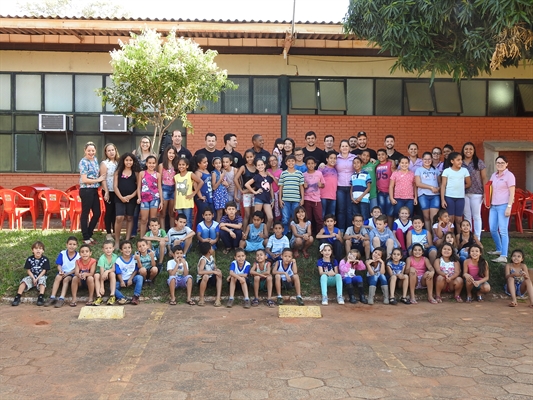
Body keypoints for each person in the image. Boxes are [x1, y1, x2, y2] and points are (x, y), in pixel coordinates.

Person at [488, 156, 516, 264]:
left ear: (506, 164)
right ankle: (499, 249)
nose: (500, 164)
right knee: (492, 228)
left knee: (503, 231)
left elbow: (512, 193)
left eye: (502, 163)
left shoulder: (509, 176)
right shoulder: (493, 175)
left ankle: (504, 256)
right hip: (493, 206)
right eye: (498, 163)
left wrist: (509, 207)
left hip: (503, 205)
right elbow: (489, 189)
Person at [79, 141, 104, 245]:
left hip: (94, 190)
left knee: (97, 212)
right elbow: (84, 179)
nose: (91, 152)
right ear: (85, 151)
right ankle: (85, 237)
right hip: (86, 190)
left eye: (93, 150)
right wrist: (98, 180)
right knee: (85, 213)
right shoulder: (83, 162)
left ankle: (89, 234)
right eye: (89, 150)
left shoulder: (95, 160)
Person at [44, 236, 79, 308]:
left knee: (66, 279)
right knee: (58, 277)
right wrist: (60, 270)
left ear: (77, 246)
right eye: (70, 244)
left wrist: (68, 274)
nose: (72, 246)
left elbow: (76, 268)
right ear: (66, 245)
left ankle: (61, 298)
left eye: (74, 244)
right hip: (62, 272)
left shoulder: (78, 256)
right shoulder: (62, 253)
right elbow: (59, 264)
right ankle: (52, 297)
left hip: (71, 274)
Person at [114, 153, 140, 247]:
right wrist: (121, 197)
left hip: (131, 198)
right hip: (119, 197)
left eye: (130, 160)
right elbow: (115, 186)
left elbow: (138, 187)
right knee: (119, 217)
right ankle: (117, 241)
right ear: (123, 161)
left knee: (130, 217)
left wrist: (131, 196)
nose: (128, 162)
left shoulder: (136, 173)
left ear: (133, 161)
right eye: (126, 160)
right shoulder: (118, 172)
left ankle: (127, 240)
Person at [12, 241, 50, 307]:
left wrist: (37, 278)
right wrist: (33, 278)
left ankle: (41, 297)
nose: (38, 250)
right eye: (36, 248)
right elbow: (28, 270)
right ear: (32, 250)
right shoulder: (29, 259)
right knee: (23, 282)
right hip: (31, 276)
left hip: (41, 276)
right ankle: (18, 296)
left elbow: (44, 271)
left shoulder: (45, 259)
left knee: (42, 282)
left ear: (43, 251)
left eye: (40, 248)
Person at [462, 142, 487, 239]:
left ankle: (477, 237)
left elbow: (484, 178)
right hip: (464, 193)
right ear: (463, 150)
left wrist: (485, 192)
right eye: (466, 149)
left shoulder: (479, 162)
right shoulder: (460, 162)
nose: (468, 151)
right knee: (467, 216)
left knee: (476, 216)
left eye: (470, 149)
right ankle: (469, 237)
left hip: (477, 193)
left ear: (474, 151)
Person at [441, 151, 471, 229]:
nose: (460, 161)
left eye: (461, 159)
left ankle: (460, 238)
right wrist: (442, 200)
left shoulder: (464, 170)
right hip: (449, 197)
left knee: (458, 219)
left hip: (460, 198)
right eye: (458, 160)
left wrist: (460, 187)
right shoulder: (446, 171)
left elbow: (468, 183)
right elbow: (443, 185)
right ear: (452, 161)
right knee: (450, 219)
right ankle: (450, 238)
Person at [245, 158, 274, 233]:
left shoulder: (269, 177)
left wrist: (273, 199)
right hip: (259, 198)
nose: (260, 166)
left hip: (267, 199)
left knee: (270, 217)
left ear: (264, 165)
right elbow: (247, 184)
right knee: (256, 218)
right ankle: (253, 234)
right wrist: (254, 192)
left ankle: (265, 234)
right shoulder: (257, 176)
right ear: (256, 167)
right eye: (258, 165)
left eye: (262, 164)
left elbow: (271, 188)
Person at [137, 155, 163, 239]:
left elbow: (159, 188)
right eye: (149, 163)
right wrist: (139, 197)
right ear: (146, 163)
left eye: (153, 163)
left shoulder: (158, 175)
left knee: (153, 219)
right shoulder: (142, 173)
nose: (151, 165)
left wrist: (161, 201)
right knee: (144, 219)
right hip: (144, 199)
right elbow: (139, 187)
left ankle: (152, 237)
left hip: (155, 199)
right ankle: (142, 238)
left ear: (155, 164)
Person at [279, 155, 305, 235]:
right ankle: (285, 234)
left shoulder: (299, 174)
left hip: (296, 200)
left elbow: (301, 187)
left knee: (295, 218)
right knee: (285, 219)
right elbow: (281, 187)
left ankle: (295, 234)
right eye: (289, 161)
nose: (291, 163)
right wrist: (280, 199)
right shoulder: (283, 174)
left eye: (292, 161)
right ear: (286, 163)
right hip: (285, 200)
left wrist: (302, 198)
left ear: (295, 162)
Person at [174, 157, 203, 229]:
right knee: (180, 222)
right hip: (179, 203)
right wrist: (174, 204)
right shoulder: (176, 177)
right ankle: (182, 237)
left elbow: (201, 182)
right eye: (179, 164)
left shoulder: (190, 174)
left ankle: (189, 238)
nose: (181, 166)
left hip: (187, 203)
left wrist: (194, 193)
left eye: (183, 164)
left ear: (187, 166)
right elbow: (176, 191)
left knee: (188, 221)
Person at [415, 152, 441, 232]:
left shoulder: (436, 170)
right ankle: (428, 235)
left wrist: (438, 188)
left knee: (434, 217)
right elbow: (418, 183)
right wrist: (430, 187)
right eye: (425, 159)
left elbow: (440, 183)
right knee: (426, 217)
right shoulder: (419, 170)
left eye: (429, 159)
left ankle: (434, 237)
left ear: (432, 159)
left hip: (435, 196)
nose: (427, 161)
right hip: (423, 195)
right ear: (422, 160)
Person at [234, 149, 257, 233]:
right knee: (247, 214)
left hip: (255, 193)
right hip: (246, 194)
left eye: (251, 157)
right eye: (247, 157)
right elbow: (235, 179)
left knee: (253, 214)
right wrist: (241, 190)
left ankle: (251, 233)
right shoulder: (243, 167)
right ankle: (243, 233)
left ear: (254, 156)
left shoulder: (256, 166)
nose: (249, 159)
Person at [335, 140, 355, 232]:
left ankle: (349, 230)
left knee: (350, 210)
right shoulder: (336, 158)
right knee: (341, 210)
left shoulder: (354, 158)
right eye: (342, 146)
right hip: (340, 187)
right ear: (339, 148)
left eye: (346, 146)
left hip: (352, 187)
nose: (344, 148)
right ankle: (342, 230)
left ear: (349, 148)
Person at [115, 240, 143, 305]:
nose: (127, 250)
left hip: (132, 278)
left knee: (140, 278)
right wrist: (121, 281)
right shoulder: (118, 260)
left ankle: (136, 296)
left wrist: (130, 279)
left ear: (131, 249)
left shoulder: (134, 258)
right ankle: (122, 298)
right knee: (112, 287)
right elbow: (118, 272)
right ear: (121, 250)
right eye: (125, 248)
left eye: (129, 247)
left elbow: (136, 270)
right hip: (122, 280)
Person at [100, 143, 119, 241]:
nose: (111, 152)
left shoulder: (118, 162)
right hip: (108, 191)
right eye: (109, 150)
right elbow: (103, 179)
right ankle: (108, 232)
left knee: (116, 212)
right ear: (106, 153)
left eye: (113, 150)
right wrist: (106, 191)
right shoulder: (104, 163)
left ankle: (116, 232)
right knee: (109, 211)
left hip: (117, 191)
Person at [196, 242, 223, 307]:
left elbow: (214, 267)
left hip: (211, 278)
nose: (213, 249)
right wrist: (213, 272)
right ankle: (201, 298)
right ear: (209, 251)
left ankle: (218, 298)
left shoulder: (211, 257)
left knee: (219, 274)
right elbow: (200, 272)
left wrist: (217, 270)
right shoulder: (203, 260)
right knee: (205, 276)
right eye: (211, 247)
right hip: (202, 279)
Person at [303, 156, 325, 233]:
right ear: (306, 165)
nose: (311, 165)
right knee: (308, 218)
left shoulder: (319, 173)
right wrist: (303, 186)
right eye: (308, 163)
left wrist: (320, 185)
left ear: (315, 164)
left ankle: (320, 234)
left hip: (316, 200)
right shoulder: (303, 175)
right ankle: (309, 233)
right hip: (307, 199)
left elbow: (323, 185)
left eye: (312, 163)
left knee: (319, 217)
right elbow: (301, 187)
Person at [158, 145, 178, 229]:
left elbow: (177, 181)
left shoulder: (177, 166)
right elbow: (158, 181)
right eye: (170, 152)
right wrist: (161, 196)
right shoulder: (161, 166)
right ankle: (163, 233)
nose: (171, 155)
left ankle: (172, 233)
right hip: (164, 189)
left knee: (172, 213)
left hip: (173, 189)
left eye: (173, 153)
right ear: (166, 153)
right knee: (162, 214)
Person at [376, 148, 396, 228]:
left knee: (390, 213)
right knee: (382, 213)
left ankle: (390, 229)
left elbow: (395, 176)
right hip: (380, 192)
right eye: (379, 155)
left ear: (386, 156)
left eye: (383, 154)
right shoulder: (377, 165)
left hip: (389, 192)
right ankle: (382, 229)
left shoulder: (390, 164)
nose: (381, 156)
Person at [94, 239, 117, 306]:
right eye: (106, 248)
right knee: (96, 276)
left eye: (110, 248)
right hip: (101, 274)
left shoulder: (115, 256)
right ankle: (99, 297)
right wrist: (102, 286)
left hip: (109, 273)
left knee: (112, 274)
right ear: (103, 249)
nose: (108, 250)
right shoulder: (102, 258)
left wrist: (107, 271)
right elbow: (101, 273)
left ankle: (112, 295)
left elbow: (113, 269)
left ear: (113, 248)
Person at [193, 154, 214, 225]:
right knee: (202, 215)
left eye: (207, 162)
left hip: (209, 196)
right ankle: (199, 232)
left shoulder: (207, 170)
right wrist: (200, 196)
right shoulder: (198, 172)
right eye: (204, 162)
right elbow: (195, 185)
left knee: (211, 214)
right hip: (202, 197)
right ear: (199, 164)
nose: (206, 163)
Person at [350, 157, 371, 221]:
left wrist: (361, 197)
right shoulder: (352, 175)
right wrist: (352, 198)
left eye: (358, 163)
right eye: (354, 163)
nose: (356, 164)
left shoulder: (366, 174)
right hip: (354, 200)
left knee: (364, 216)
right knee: (356, 217)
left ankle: (365, 231)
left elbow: (369, 187)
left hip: (363, 200)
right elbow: (351, 188)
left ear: (361, 164)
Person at [320, 151, 338, 218]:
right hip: (323, 196)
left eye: (334, 158)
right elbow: (316, 179)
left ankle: (330, 228)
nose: (333, 160)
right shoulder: (322, 168)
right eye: (331, 158)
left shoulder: (336, 169)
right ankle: (322, 228)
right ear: (327, 159)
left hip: (333, 196)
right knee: (322, 214)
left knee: (332, 215)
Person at [212, 157, 229, 221]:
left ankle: (223, 227)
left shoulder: (222, 172)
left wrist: (227, 184)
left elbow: (225, 184)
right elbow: (214, 187)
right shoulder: (214, 173)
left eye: (219, 163)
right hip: (218, 194)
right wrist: (220, 178)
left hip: (224, 193)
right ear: (213, 164)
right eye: (216, 163)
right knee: (219, 213)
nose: (218, 165)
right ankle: (217, 229)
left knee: (224, 212)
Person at [267, 154, 282, 221]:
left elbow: (280, 184)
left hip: (278, 194)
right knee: (269, 211)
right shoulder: (267, 171)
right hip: (268, 194)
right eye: (271, 161)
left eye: (274, 160)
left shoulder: (281, 172)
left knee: (278, 211)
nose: (273, 162)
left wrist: (272, 176)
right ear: (269, 163)